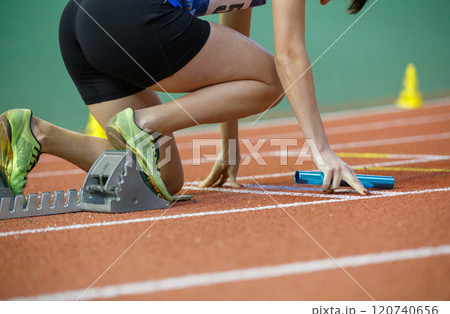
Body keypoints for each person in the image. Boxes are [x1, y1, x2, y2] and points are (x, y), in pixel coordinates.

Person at [0, 0, 370, 202]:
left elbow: (234, 38)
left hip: (80, 20)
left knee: (162, 176)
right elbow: (288, 56)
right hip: (131, 15)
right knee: (275, 80)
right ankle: (145, 124)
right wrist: (322, 152)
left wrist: (229, 147)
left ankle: (37, 133)